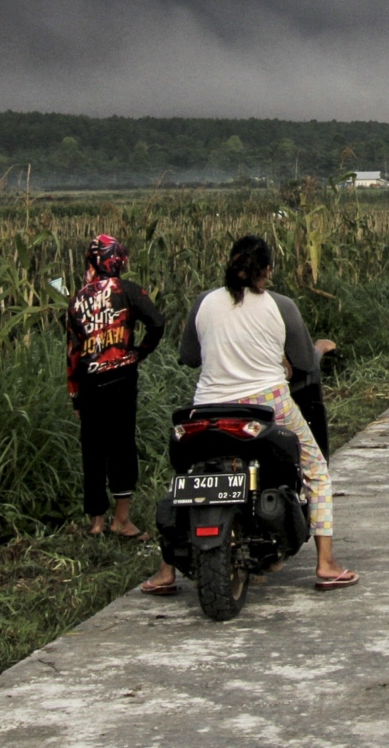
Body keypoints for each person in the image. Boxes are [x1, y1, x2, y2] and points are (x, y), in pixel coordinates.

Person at [142, 236, 355, 594]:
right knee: (316, 469)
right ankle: (326, 563)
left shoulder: (203, 302)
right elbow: (303, 362)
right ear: (267, 270)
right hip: (266, 406)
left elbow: (190, 357)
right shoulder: (281, 305)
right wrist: (316, 352)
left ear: (229, 264)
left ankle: (166, 572)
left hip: (208, 407)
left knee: (187, 476)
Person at [67, 235, 165, 541]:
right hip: (121, 379)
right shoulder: (129, 291)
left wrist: (75, 396)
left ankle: (96, 522)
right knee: (122, 446)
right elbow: (157, 323)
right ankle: (122, 521)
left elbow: (72, 352)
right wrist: (139, 352)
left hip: (89, 382)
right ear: (118, 260)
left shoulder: (78, 299)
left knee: (93, 450)